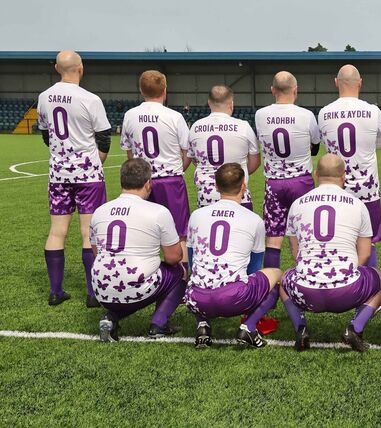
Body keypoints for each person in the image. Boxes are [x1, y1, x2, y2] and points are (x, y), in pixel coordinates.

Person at [280, 154, 381, 352]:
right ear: (344, 176)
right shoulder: (357, 204)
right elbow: (365, 254)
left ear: (316, 174)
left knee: (283, 280)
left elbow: (296, 254)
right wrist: (346, 276)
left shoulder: (297, 205)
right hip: (347, 293)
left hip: (306, 293)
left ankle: (300, 328)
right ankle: (355, 327)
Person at [38, 50, 112, 307]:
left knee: (57, 231)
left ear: (57, 68)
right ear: (81, 68)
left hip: (59, 174)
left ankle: (56, 291)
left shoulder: (44, 97)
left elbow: (46, 135)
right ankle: (93, 293)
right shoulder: (90, 99)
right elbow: (104, 138)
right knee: (88, 233)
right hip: (88, 175)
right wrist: (96, 161)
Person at [184, 163, 283, 349]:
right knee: (276, 274)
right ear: (244, 186)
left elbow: (191, 259)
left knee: (196, 276)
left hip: (195, 298)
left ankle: (202, 324)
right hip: (234, 298)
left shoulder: (197, 215)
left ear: (216, 186)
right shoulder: (254, 220)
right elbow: (255, 267)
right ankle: (248, 326)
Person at [90, 158, 187, 341]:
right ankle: (158, 324)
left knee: (128, 285)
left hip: (101, 287)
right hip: (135, 284)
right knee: (180, 271)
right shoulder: (158, 211)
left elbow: (96, 252)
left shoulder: (99, 211)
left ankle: (110, 317)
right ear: (148, 183)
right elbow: (174, 257)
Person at [120, 70, 191, 272]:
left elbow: (129, 152)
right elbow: (188, 151)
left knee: (142, 231)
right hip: (170, 181)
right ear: (165, 90)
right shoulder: (175, 117)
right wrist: (178, 169)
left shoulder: (130, 115)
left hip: (141, 183)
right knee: (179, 234)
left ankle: (143, 274)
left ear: (141, 90)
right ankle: (181, 280)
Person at [317, 65, 381, 268]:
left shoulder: (324, 112)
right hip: (367, 189)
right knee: (369, 241)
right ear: (360, 83)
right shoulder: (373, 111)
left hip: (337, 187)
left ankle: (338, 279)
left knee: (339, 240)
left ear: (336, 82)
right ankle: (369, 284)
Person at [255, 71, 320, 269]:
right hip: (301, 182)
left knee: (273, 239)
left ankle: (272, 283)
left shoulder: (260, 115)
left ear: (272, 90)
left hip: (274, 183)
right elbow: (315, 146)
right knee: (304, 235)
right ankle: (307, 275)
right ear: (296, 90)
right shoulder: (306, 115)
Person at [188, 86, 260, 210]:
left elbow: (195, 160)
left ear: (209, 103)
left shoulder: (195, 127)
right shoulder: (243, 126)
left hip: (206, 195)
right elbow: (255, 162)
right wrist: (235, 176)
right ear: (231, 104)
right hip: (238, 194)